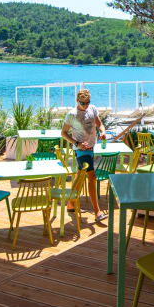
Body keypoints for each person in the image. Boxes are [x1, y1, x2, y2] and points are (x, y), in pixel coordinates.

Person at [60, 88, 107, 221]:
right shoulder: (72, 115)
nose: (85, 105)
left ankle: (70, 204)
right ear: (77, 100)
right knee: (92, 177)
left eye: (87, 102)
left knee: (80, 174)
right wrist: (77, 143)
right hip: (80, 150)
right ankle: (97, 212)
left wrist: (102, 132)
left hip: (91, 147)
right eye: (82, 103)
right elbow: (63, 133)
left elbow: (99, 124)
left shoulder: (92, 109)